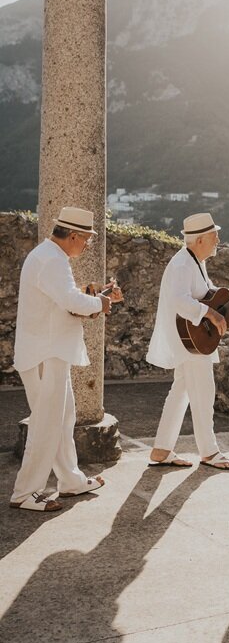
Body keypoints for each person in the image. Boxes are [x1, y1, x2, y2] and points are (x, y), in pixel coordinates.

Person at [10, 206, 123, 513]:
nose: (87, 245)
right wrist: (101, 303)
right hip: (46, 354)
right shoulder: (52, 260)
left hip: (49, 352)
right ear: (73, 235)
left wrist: (97, 296)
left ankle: (71, 480)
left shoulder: (49, 256)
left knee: (62, 420)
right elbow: (70, 300)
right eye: (86, 238)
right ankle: (25, 492)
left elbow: (64, 300)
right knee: (46, 424)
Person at [147, 212, 229, 470]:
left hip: (193, 338)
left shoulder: (195, 262)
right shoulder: (182, 265)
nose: (218, 240)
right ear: (200, 239)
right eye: (214, 236)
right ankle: (209, 452)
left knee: (181, 391)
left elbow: (215, 296)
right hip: (189, 338)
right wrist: (210, 314)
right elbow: (179, 300)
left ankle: (161, 449)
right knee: (203, 391)